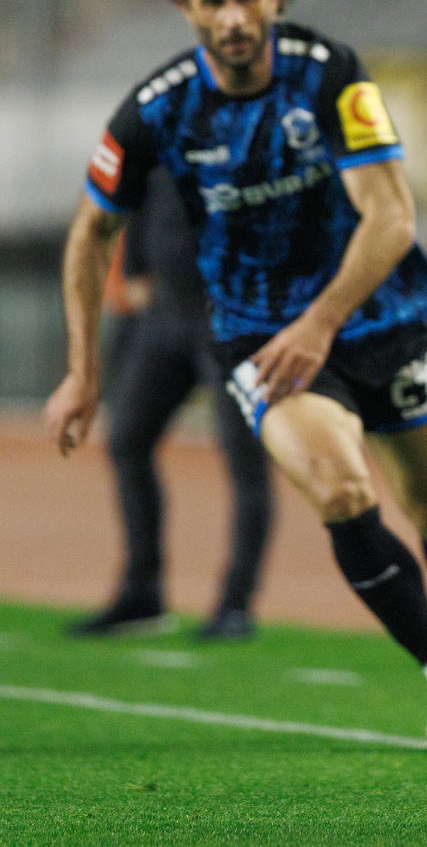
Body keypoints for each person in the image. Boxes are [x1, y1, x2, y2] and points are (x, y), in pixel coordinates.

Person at [43, 0, 427, 744]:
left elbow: (389, 216)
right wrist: (84, 371)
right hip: (257, 334)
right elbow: (90, 233)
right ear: (186, 9)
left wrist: (321, 321)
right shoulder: (155, 110)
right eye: (213, 1)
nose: (232, 17)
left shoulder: (330, 75)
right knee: (342, 492)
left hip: (377, 315)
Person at [70, 167, 273, 640]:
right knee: (126, 440)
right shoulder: (167, 115)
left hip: (234, 318)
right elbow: (141, 192)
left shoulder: (251, 122)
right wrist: (137, 268)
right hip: (168, 311)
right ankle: (142, 593)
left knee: (245, 459)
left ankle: (237, 602)